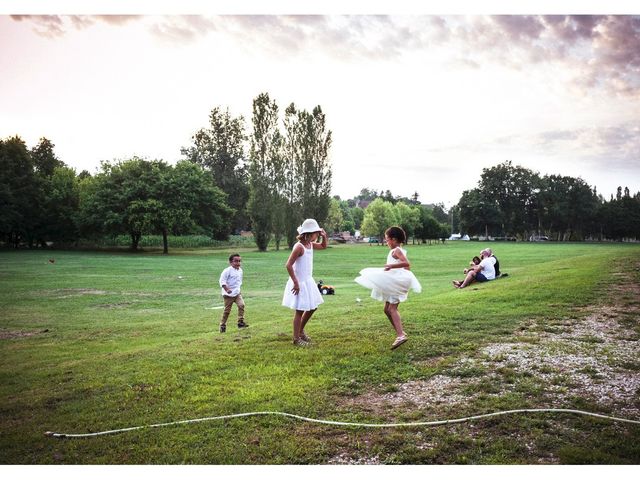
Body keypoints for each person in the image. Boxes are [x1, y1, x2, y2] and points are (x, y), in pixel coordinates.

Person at [355, 226, 422, 350]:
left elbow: (407, 264)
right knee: (386, 310)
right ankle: (400, 332)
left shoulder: (397, 250)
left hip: (396, 283)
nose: (386, 243)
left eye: (387, 240)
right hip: (394, 282)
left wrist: (392, 268)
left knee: (392, 309)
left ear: (394, 239)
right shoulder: (396, 250)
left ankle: (401, 335)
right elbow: (405, 268)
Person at [282, 219, 327, 347]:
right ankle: (296, 339)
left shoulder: (310, 245)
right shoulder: (299, 246)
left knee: (313, 306)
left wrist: (324, 237)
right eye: (316, 233)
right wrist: (295, 283)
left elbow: (323, 246)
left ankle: (301, 331)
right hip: (300, 282)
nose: (317, 235)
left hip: (308, 281)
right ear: (309, 233)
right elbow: (288, 265)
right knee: (300, 310)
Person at [218, 253, 248, 332]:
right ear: (230, 262)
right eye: (236, 261)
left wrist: (238, 290)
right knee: (227, 311)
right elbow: (222, 281)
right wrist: (227, 289)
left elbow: (239, 281)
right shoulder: (227, 271)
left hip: (237, 293)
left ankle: (240, 322)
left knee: (241, 305)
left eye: (239, 261)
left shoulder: (240, 270)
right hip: (228, 295)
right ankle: (222, 325)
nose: (238, 263)